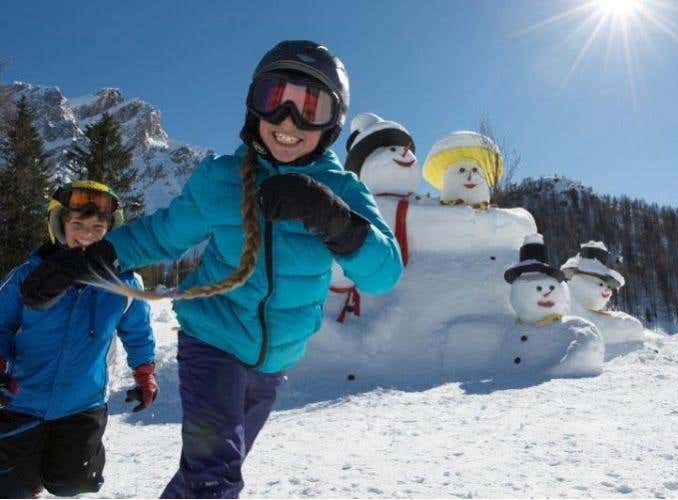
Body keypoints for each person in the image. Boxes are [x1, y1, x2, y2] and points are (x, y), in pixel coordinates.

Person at [22, 40, 403, 498]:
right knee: (214, 475)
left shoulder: (344, 190)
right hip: (212, 341)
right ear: (253, 105)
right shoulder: (221, 178)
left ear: (333, 122)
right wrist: (83, 263)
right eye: (274, 98)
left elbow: (383, 273)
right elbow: (161, 235)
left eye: (310, 108)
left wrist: (333, 218)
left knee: (206, 473)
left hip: (273, 362)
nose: (288, 121)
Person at [0, 180, 158, 498]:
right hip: (22, 398)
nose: (87, 233)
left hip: (82, 403)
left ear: (109, 231)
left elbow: (138, 332)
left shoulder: (124, 284)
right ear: (60, 226)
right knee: (11, 487)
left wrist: (145, 374)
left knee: (73, 482)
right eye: (78, 225)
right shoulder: (27, 277)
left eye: (97, 227)